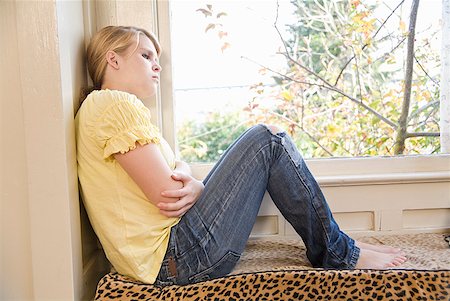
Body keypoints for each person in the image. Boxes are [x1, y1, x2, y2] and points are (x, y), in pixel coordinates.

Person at [75, 25, 407, 286]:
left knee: (266, 139)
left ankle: (339, 247)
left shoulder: (102, 109)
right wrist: (196, 186)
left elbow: (175, 171)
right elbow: (170, 193)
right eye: (146, 55)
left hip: (169, 256)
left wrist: (188, 174)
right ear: (113, 59)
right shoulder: (114, 105)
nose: (157, 65)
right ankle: (339, 253)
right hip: (176, 260)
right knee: (268, 139)